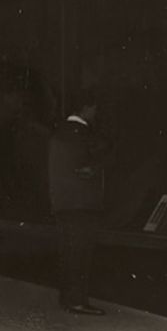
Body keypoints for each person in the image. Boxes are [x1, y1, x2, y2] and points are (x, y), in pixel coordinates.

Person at [48, 92, 109, 315]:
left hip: (64, 203)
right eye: (95, 109)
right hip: (82, 204)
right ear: (86, 108)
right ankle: (77, 301)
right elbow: (86, 168)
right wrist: (98, 166)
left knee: (68, 252)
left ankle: (68, 298)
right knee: (81, 254)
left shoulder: (60, 132)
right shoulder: (81, 133)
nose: (97, 113)